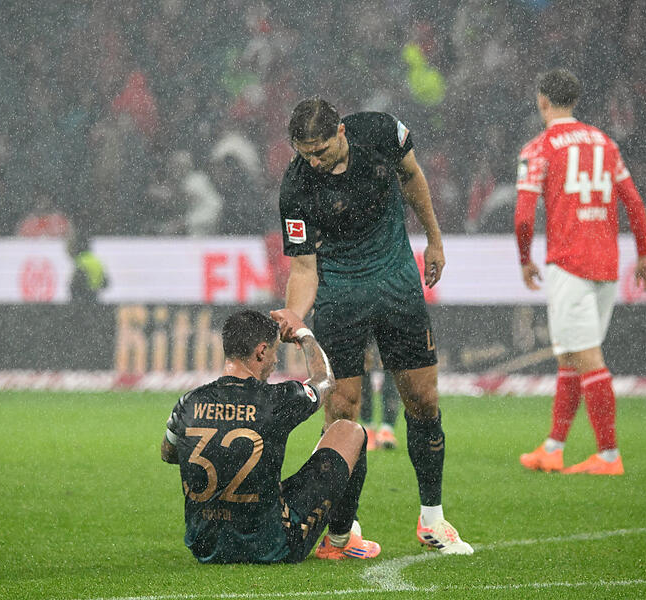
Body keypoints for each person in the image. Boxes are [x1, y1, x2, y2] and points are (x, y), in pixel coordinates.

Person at [272, 97, 473, 554]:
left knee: (423, 401)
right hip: (340, 299)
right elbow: (304, 269)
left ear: (341, 132)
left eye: (321, 151)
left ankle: (433, 522)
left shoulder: (382, 133)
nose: (315, 162)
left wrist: (435, 243)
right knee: (343, 415)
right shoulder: (297, 189)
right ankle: (343, 532)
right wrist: (297, 318)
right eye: (306, 155)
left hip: (398, 285)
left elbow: (414, 178)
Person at [514, 69, 646, 476]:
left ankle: (608, 454)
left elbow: (524, 218)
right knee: (571, 356)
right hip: (606, 263)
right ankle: (554, 447)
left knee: (587, 357)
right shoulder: (605, 143)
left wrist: (525, 259)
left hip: (569, 263)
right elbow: (633, 201)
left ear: (542, 100)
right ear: (574, 100)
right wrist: (644, 254)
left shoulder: (539, 148)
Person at [160, 309, 380, 563]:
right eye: (275, 352)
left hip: (206, 545)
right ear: (261, 351)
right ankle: (341, 540)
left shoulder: (189, 401)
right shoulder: (276, 400)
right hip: (269, 546)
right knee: (349, 430)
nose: (275, 361)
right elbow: (325, 380)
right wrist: (304, 334)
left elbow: (169, 454)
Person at [360, 343, 400, 450]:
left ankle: (386, 430)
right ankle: (368, 428)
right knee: (363, 360)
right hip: (363, 328)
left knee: (391, 361)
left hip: (390, 327)